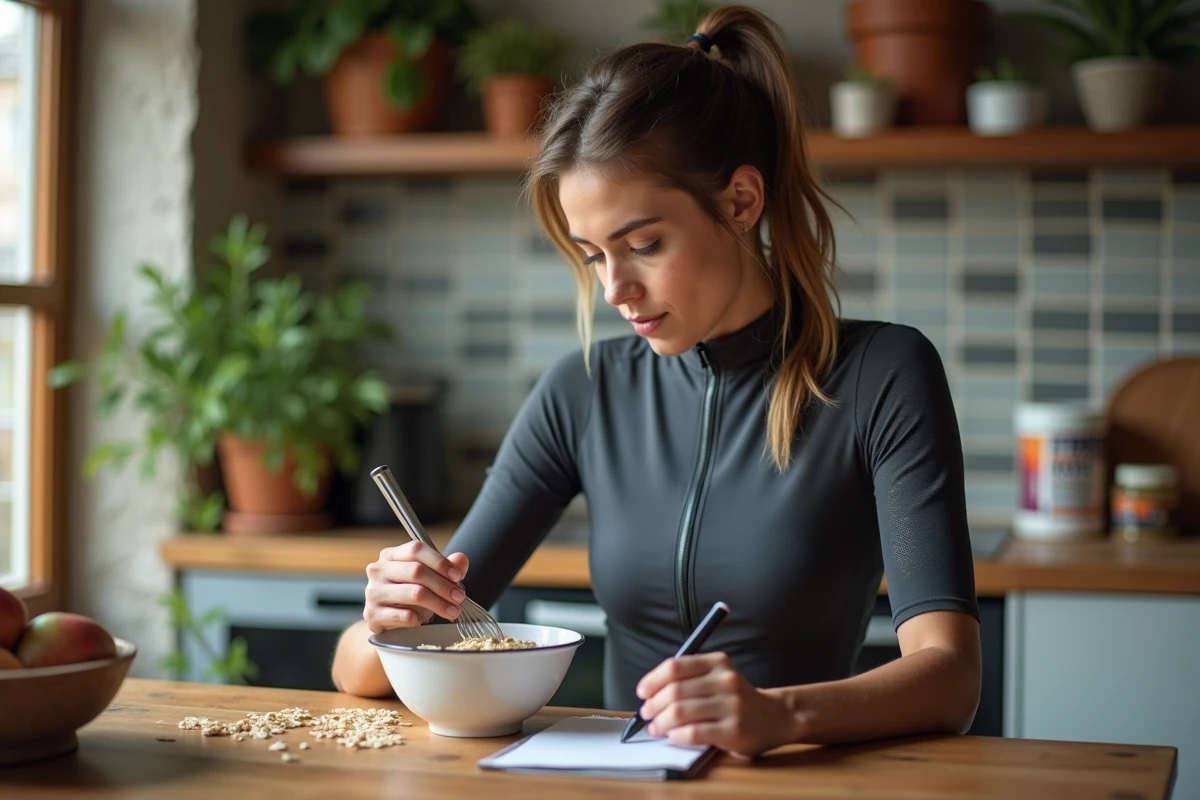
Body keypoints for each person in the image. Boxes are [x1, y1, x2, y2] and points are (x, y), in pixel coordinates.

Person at [332, 4, 980, 758]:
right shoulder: (583, 391)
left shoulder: (882, 375)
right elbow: (358, 670)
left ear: (741, 201)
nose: (615, 290)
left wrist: (778, 717)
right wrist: (390, 618)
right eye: (593, 255)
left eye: (642, 244)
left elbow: (950, 678)